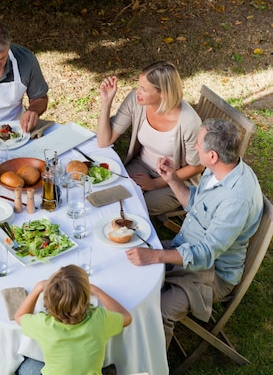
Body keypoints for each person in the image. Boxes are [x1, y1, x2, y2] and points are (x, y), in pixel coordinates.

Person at [125, 119, 263, 349]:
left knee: (158, 312)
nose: (195, 148)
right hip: (186, 247)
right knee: (128, 261)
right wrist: (172, 179)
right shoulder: (218, 170)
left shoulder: (237, 200)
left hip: (211, 275)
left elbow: (206, 254)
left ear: (213, 156)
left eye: (199, 145)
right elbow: (196, 204)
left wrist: (156, 256)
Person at [96, 61, 204, 216]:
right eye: (139, 86)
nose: (137, 92)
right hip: (142, 166)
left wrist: (154, 183)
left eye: (144, 89)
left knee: (131, 207)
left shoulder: (189, 123)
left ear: (163, 93)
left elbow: (197, 167)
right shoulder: (136, 100)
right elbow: (103, 141)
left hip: (176, 181)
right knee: (110, 193)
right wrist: (106, 102)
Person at [14, 265, 132, 375]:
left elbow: (19, 316)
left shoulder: (43, 323)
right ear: (86, 298)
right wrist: (98, 292)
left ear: (47, 300)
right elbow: (127, 318)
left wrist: (37, 288)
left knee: (23, 363)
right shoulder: (100, 319)